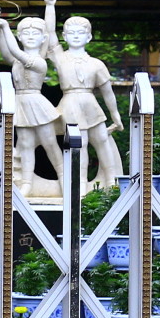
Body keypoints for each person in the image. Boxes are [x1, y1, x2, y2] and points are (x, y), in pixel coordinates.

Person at [0, 0, 64, 193]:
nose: (30, 37)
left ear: (43, 38)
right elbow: (7, 53)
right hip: (20, 103)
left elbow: (16, 52)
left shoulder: (39, 62)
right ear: (19, 36)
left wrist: (5, 27)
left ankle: (64, 177)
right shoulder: (18, 60)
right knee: (25, 144)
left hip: (37, 103)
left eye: (35, 34)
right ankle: (27, 182)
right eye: (26, 33)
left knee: (49, 143)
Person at [53, 10, 126, 192]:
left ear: (89, 37)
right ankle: (80, 183)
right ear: (64, 36)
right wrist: (50, 5)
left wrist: (115, 115)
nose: (76, 36)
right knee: (80, 142)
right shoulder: (60, 58)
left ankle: (112, 181)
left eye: (80, 32)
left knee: (102, 139)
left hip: (90, 103)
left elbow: (108, 92)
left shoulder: (96, 64)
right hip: (70, 103)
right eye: (71, 33)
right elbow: (49, 33)